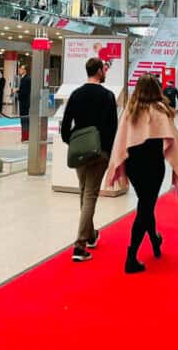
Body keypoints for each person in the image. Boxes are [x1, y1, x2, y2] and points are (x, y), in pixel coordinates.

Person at [106, 74, 178, 274]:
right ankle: (131, 257)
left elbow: (121, 141)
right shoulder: (160, 111)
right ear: (157, 89)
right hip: (153, 166)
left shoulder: (131, 112)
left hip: (134, 166)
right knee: (146, 207)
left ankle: (155, 241)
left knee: (145, 204)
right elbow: (173, 141)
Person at [61, 57, 119, 263]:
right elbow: (113, 128)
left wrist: (74, 143)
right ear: (98, 72)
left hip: (80, 151)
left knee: (84, 191)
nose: (106, 72)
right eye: (104, 69)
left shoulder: (76, 95)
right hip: (100, 151)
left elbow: (65, 127)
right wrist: (110, 153)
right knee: (90, 194)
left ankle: (91, 234)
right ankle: (79, 245)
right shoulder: (108, 96)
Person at [17, 65, 31, 142]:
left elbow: (24, 91)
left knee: (24, 119)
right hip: (25, 101)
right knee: (24, 119)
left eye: (21, 69)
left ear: (25, 70)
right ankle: (25, 136)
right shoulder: (25, 78)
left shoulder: (26, 79)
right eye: (19, 69)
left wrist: (17, 91)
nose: (19, 70)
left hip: (24, 102)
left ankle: (25, 137)